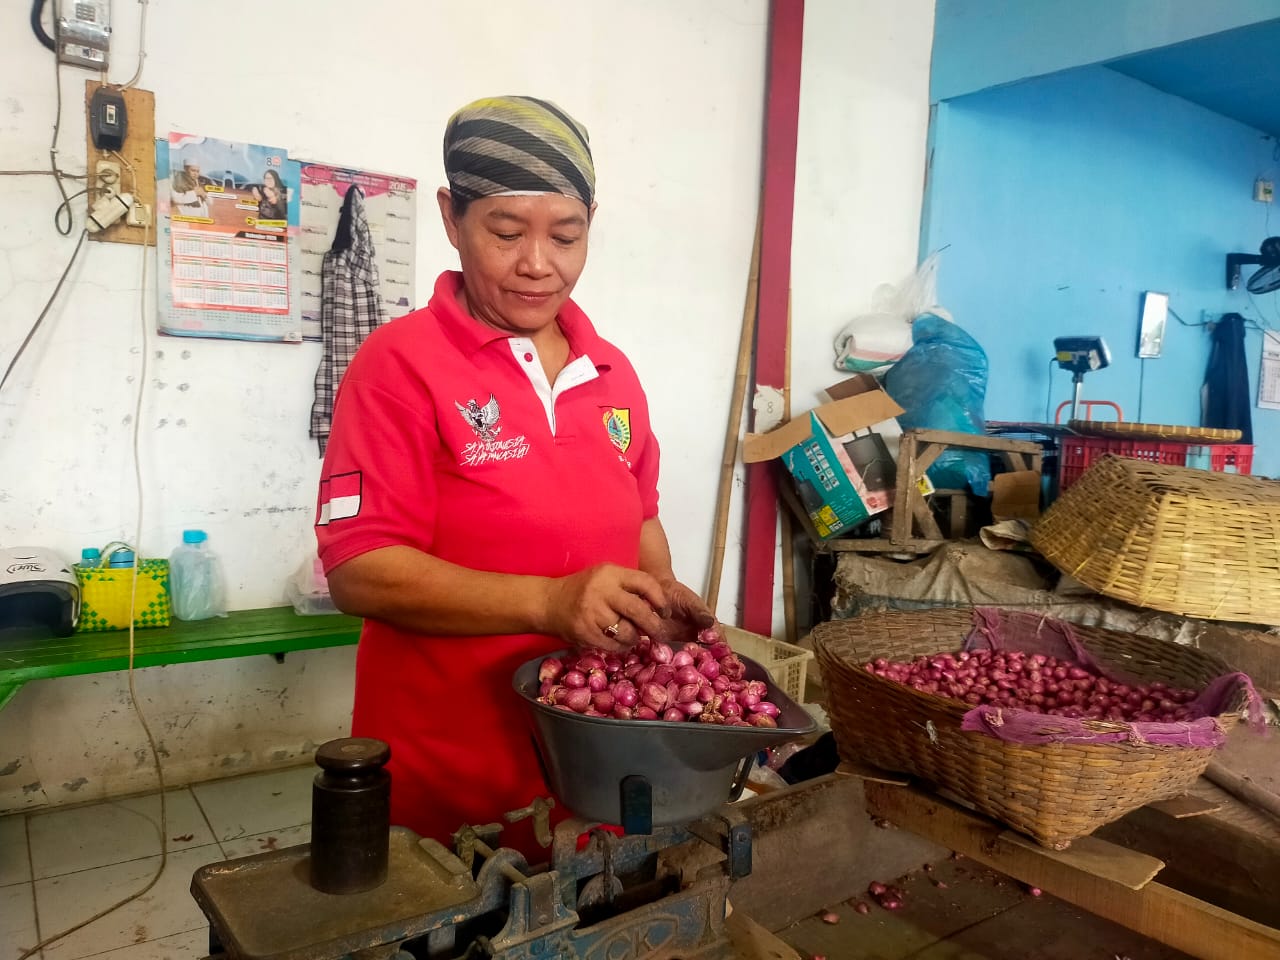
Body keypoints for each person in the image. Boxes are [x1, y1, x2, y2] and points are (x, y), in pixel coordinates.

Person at [314, 95, 715, 861]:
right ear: (451, 218)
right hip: (454, 767)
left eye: (567, 235)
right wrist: (549, 601)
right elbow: (360, 572)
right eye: (506, 232)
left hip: (590, 762)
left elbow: (638, 518)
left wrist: (660, 603)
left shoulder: (611, 372)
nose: (539, 263)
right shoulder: (397, 367)